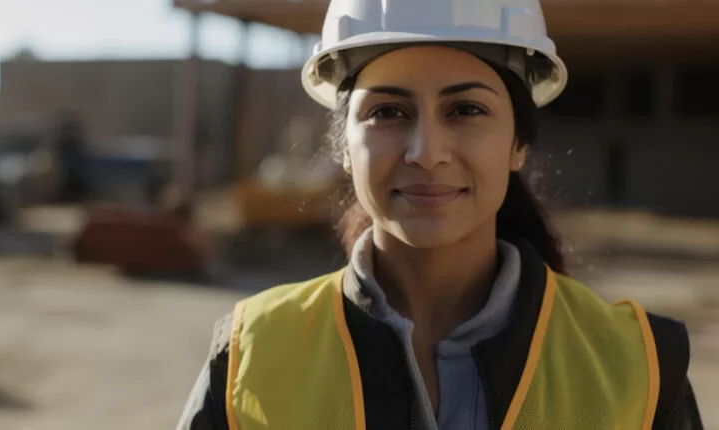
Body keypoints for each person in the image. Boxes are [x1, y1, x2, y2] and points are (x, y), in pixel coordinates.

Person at [177, 0, 703, 428]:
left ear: (518, 143)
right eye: (388, 112)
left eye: (466, 110)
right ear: (342, 146)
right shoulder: (253, 355)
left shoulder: (640, 367)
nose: (426, 152)